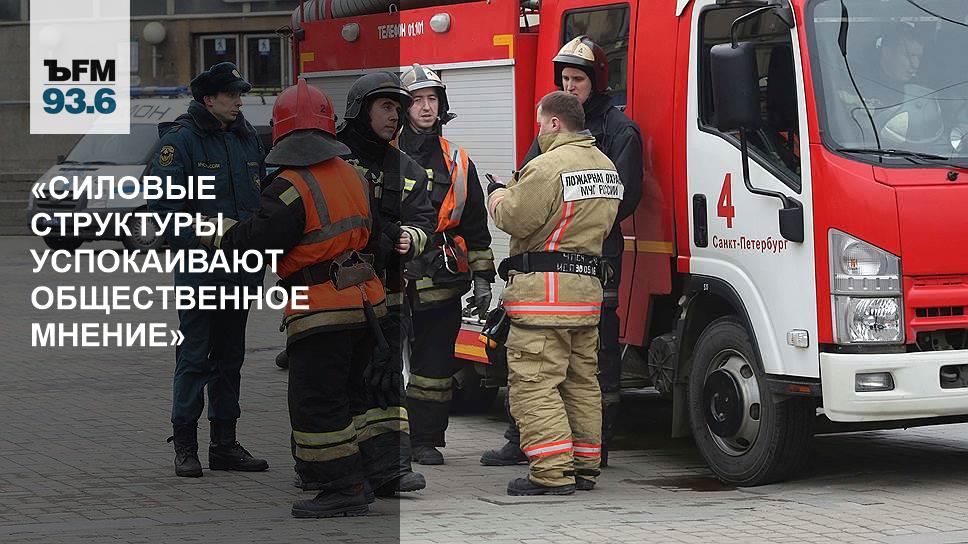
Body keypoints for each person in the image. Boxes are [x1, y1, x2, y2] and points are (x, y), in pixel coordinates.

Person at [196, 79, 395, 517]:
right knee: (356, 398)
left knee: (317, 404)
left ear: (281, 131)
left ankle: (342, 488)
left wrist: (215, 230)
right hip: (367, 305)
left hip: (320, 312)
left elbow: (256, 241)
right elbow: (378, 241)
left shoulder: (289, 186)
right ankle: (374, 474)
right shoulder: (355, 175)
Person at [482, 35, 643, 468]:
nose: (570, 86)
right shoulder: (556, 136)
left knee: (574, 366)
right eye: (566, 79)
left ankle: (585, 452)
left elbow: (622, 199)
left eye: (578, 79)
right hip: (570, 269)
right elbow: (527, 180)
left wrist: (508, 201)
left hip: (589, 261)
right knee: (569, 370)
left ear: (597, 82)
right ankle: (531, 442)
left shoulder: (620, 131)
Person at [487, 91, 621, 495]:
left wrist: (497, 195)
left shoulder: (547, 166)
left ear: (555, 123)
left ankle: (551, 472)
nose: (540, 131)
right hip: (585, 296)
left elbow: (515, 218)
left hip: (544, 298)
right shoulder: (606, 167)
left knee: (534, 383)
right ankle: (584, 466)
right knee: (581, 382)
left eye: (541, 124)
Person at [149, 62, 268, 478]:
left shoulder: (246, 139)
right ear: (208, 99)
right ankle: (185, 445)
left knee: (230, 359)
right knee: (195, 358)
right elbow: (166, 211)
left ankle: (224, 445)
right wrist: (208, 242)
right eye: (232, 95)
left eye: (240, 95)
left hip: (242, 273)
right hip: (201, 273)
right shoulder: (180, 142)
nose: (239, 102)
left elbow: (261, 203)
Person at [335, 71, 437, 495]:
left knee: (386, 379)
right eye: (386, 107)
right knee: (336, 381)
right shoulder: (333, 162)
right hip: (336, 294)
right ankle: (332, 469)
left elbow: (425, 223)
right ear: (361, 110)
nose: (395, 116)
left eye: (398, 108)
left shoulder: (407, 169)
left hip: (389, 294)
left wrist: (409, 238)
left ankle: (391, 469)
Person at [398, 63, 495, 465]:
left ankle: (425, 439)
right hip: (393, 275)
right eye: (417, 100)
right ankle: (389, 440)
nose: (426, 107)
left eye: (432, 99)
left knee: (435, 365)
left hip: (441, 275)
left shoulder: (457, 159)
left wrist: (484, 277)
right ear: (403, 107)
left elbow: (475, 223)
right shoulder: (385, 154)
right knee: (384, 363)